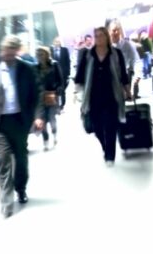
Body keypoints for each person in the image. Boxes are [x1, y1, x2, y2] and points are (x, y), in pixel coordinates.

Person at [0, 36, 42, 217]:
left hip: (19, 121)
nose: (7, 54)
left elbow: (36, 93)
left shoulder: (27, 69)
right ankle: (6, 202)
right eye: (5, 50)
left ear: (16, 51)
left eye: (11, 50)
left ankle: (21, 188)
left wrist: (38, 117)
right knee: (3, 160)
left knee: (21, 158)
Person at [75, 26, 131, 166]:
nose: (98, 38)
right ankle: (105, 148)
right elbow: (80, 75)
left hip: (112, 95)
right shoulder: (88, 55)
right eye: (96, 36)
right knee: (97, 128)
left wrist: (128, 90)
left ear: (107, 37)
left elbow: (123, 74)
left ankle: (110, 156)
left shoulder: (116, 54)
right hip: (93, 97)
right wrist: (76, 92)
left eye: (101, 35)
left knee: (110, 125)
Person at [35, 46, 64, 150]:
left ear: (47, 54)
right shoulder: (35, 68)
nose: (39, 56)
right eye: (37, 54)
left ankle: (55, 134)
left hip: (52, 95)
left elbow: (60, 80)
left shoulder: (54, 64)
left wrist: (58, 92)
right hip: (40, 98)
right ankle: (46, 141)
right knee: (42, 120)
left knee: (52, 118)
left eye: (41, 54)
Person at [109, 20, 139, 90]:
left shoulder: (127, 44)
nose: (116, 32)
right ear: (109, 32)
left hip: (126, 76)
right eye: (114, 30)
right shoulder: (107, 47)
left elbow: (135, 60)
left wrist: (137, 75)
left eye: (118, 30)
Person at [51, 37, 71, 112]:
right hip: (54, 74)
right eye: (55, 41)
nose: (57, 43)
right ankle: (56, 106)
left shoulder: (64, 50)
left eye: (58, 42)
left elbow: (68, 62)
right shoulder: (51, 50)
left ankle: (62, 105)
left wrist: (68, 74)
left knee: (62, 90)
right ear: (53, 43)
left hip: (63, 74)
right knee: (55, 90)